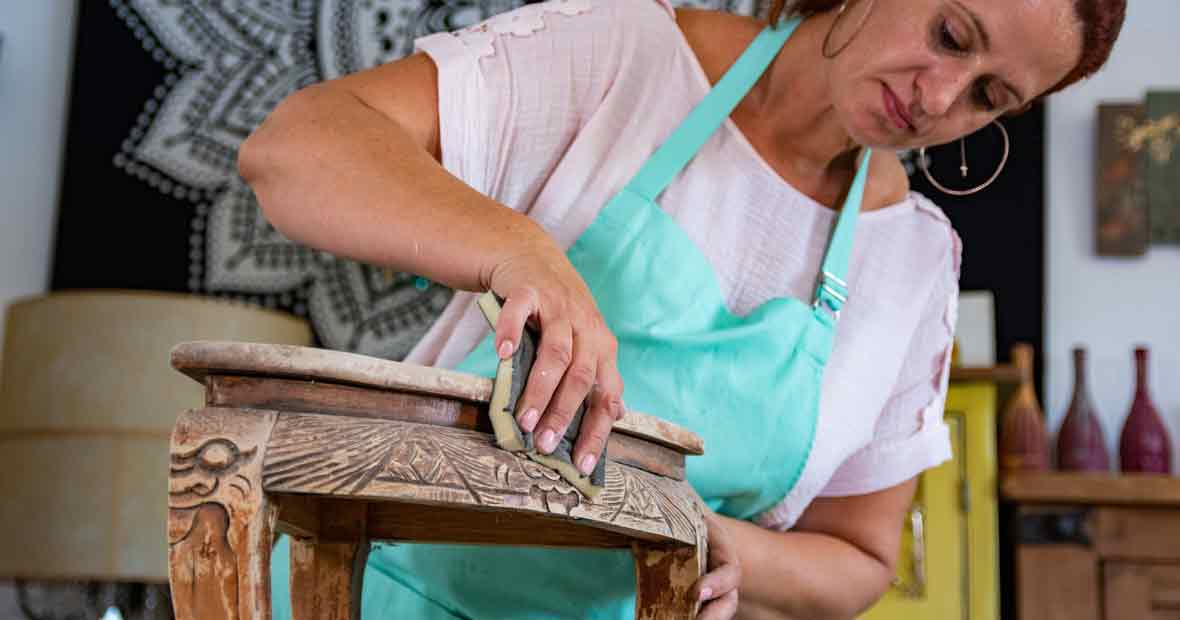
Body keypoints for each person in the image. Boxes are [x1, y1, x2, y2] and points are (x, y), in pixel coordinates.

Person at [239, 0, 1125, 617]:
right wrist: (520, 252)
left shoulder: (916, 263)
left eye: (988, 98)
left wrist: (721, 544)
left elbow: (860, 559)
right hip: (369, 596)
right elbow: (294, 149)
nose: (938, 98)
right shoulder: (625, 56)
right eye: (950, 33)